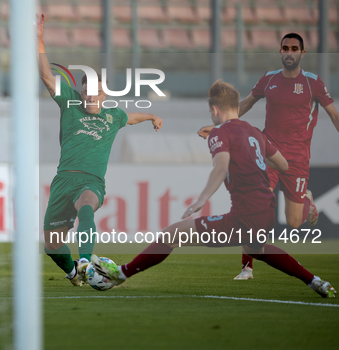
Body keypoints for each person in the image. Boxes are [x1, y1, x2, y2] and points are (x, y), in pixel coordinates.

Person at [92, 80, 336, 298]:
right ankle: (315, 281)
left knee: (170, 235)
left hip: (244, 214)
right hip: (266, 210)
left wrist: (201, 199)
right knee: (256, 249)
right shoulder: (254, 132)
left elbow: (220, 168)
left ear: (214, 110)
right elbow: (282, 164)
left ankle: (120, 274)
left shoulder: (220, 132)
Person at [198, 33, 339, 280]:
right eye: (285, 48)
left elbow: (334, 115)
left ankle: (308, 200)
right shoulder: (269, 79)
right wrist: (222, 124)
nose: (289, 52)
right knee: (253, 206)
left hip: (297, 160)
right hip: (266, 153)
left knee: (294, 222)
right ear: (280, 51)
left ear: (302, 53)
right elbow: (246, 104)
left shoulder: (313, 83)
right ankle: (247, 268)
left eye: (294, 48)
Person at [37, 14, 163, 286]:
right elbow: (47, 77)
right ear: (81, 92)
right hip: (63, 180)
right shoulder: (69, 102)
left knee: (86, 209)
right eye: (87, 91)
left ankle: (85, 260)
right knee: (51, 245)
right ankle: (74, 273)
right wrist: (38, 39)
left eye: (97, 92)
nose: (91, 96)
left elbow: (131, 117)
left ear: (105, 94)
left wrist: (152, 115)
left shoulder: (113, 116)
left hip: (91, 182)